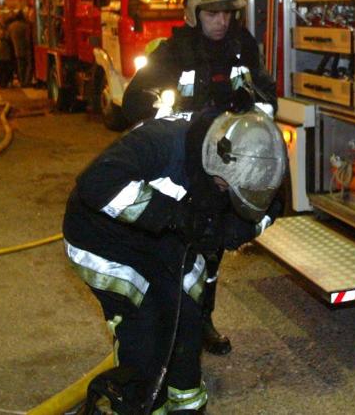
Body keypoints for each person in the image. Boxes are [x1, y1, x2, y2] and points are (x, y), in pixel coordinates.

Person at [66, 107, 286, 415]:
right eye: (225, 188)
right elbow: (96, 183)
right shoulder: (164, 144)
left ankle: (187, 404)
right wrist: (175, 216)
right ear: (216, 163)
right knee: (144, 328)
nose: (227, 194)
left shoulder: (250, 155)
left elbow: (271, 205)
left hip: (165, 240)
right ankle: (141, 405)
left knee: (187, 316)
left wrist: (233, 230)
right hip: (104, 241)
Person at [121, 0, 278, 355]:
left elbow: (267, 97)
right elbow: (133, 103)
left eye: (227, 13)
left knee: (212, 251)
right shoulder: (173, 52)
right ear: (194, 13)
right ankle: (170, 323)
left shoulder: (243, 46)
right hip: (182, 170)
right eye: (212, 13)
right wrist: (170, 119)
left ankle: (202, 320)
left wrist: (253, 104)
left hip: (223, 170)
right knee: (176, 249)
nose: (221, 21)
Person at [7, 9, 31, 86]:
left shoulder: (11, 26)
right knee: (28, 65)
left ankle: (22, 81)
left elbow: (8, 38)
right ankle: (26, 81)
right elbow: (28, 38)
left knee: (20, 66)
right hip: (26, 49)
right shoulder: (25, 26)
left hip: (16, 49)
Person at [0, 11, 14, 88]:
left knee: (2, 67)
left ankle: (0, 81)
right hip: (1, 50)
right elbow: (4, 36)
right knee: (3, 67)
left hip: (0, 51)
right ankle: (2, 82)